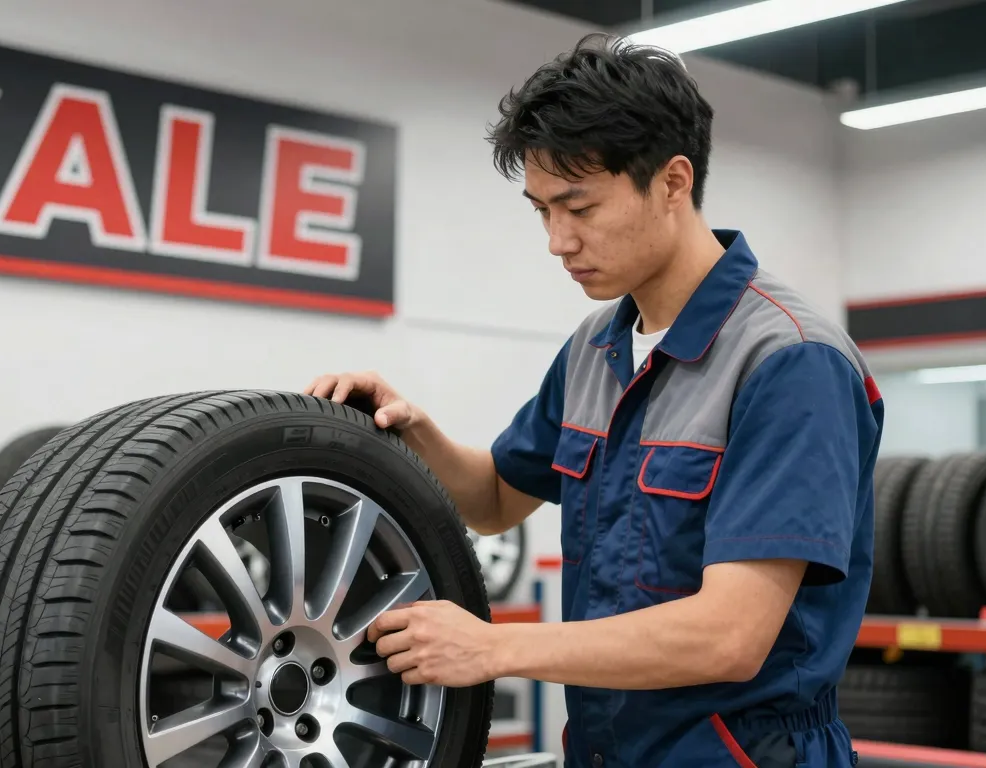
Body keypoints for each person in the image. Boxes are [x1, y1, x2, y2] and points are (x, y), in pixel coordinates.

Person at [303, 32, 883, 768]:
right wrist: (415, 431)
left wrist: (494, 647)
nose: (556, 240)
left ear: (673, 183)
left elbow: (730, 636)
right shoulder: (595, 347)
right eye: (540, 209)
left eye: (578, 207)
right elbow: (494, 498)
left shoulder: (790, 362)